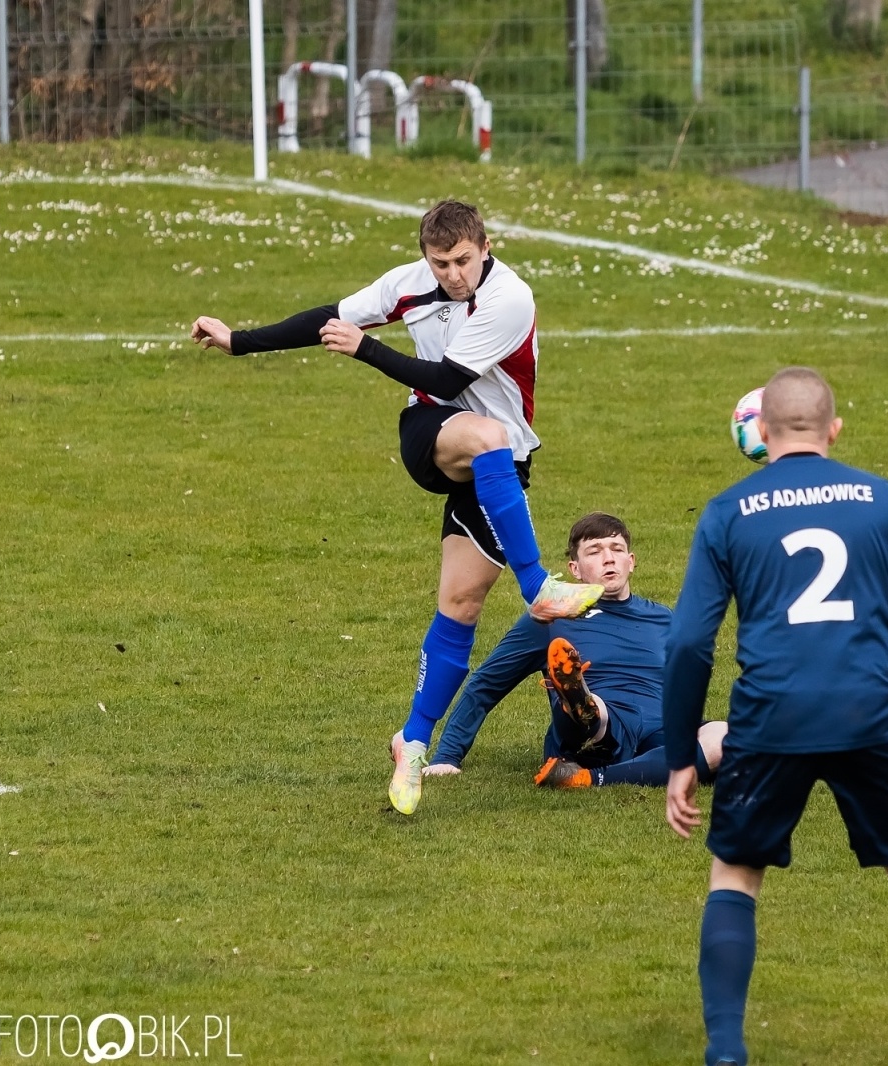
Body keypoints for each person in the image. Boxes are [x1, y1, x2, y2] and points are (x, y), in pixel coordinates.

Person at [662, 368, 888, 1066]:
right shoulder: (881, 500)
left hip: (770, 719)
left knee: (735, 874)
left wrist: (683, 753)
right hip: (871, 715)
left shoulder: (728, 511)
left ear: (760, 434)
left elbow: (687, 642)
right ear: (833, 431)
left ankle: (727, 1055)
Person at [189, 199, 603, 817]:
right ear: (426, 257)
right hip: (430, 433)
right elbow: (334, 319)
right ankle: (539, 585)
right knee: (484, 435)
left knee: (461, 604)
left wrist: (366, 350)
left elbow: (448, 375)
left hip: (499, 466)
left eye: (463, 260)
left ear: (485, 248)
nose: (453, 275)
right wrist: (240, 341)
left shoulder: (509, 298)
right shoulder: (409, 285)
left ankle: (411, 742)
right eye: (441, 263)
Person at [424, 511, 727, 788]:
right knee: (594, 709)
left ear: (631, 561)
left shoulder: (664, 618)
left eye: (617, 550)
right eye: (595, 551)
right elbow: (486, 685)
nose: (609, 559)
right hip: (601, 726)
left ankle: (584, 777)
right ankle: (577, 698)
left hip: (661, 727)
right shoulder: (550, 618)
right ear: (575, 569)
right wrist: (446, 757)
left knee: (723, 737)